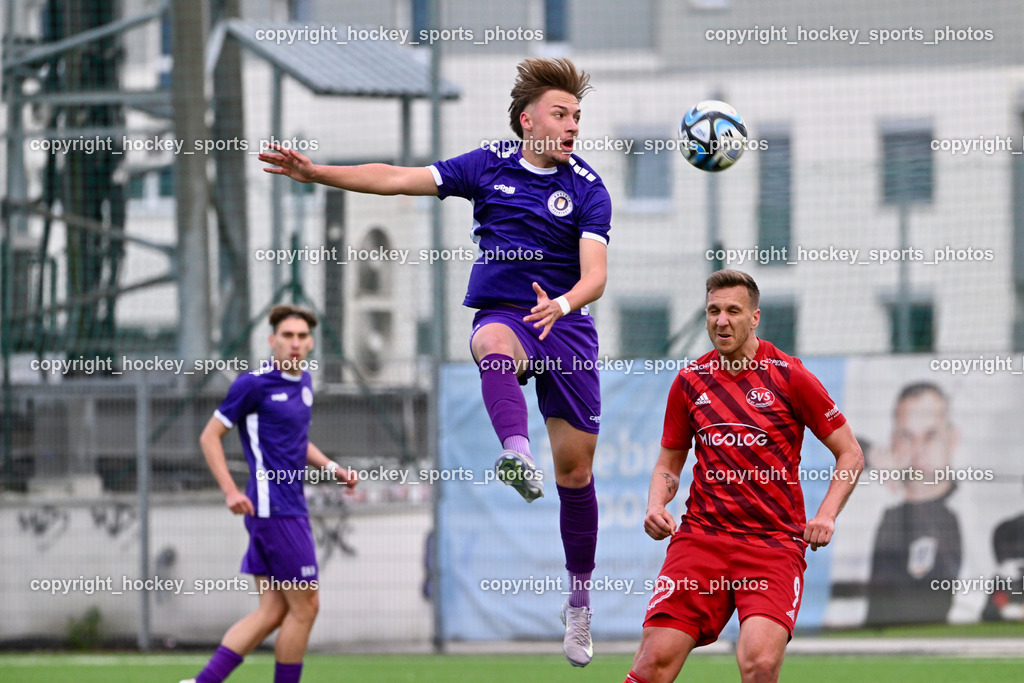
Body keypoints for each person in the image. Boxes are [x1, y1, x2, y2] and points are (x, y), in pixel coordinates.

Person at [258, 57, 610, 667]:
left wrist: (565, 301)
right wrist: (318, 174)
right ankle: (514, 452)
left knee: (576, 475)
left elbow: (597, 275)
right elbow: (394, 178)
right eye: (562, 113)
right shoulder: (488, 164)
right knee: (491, 346)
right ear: (529, 121)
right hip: (509, 314)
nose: (573, 123)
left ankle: (578, 602)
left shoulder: (587, 186)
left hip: (569, 325)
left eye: (578, 115)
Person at [625, 270, 864, 683]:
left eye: (733, 311)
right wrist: (655, 505)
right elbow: (669, 463)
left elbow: (851, 453)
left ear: (754, 317)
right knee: (652, 665)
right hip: (702, 540)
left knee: (760, 665)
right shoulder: (689, 382)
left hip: (772, 545)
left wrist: (826, 515)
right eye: (713, 311)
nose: (722, 321)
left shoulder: (791, 377)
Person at [183, 305, 358, 683]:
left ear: (310, 343)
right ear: (272, 341)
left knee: (273, 612)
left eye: (301, 337)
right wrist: (230, 491)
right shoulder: (253, 384)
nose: (294, 343)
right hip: (274, 509)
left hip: (286, 507)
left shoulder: (305, 383)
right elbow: (209, 436)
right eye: (287, 336)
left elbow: (297, 442)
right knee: (306, 607)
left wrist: (333, 469)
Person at [864, 382, 962, 626]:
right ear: (893, 440)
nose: (918, 450)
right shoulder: (874, 500)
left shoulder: (968, 512)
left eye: (931, 436)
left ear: (952, 439)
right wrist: (868, 454)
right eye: (907, 436)